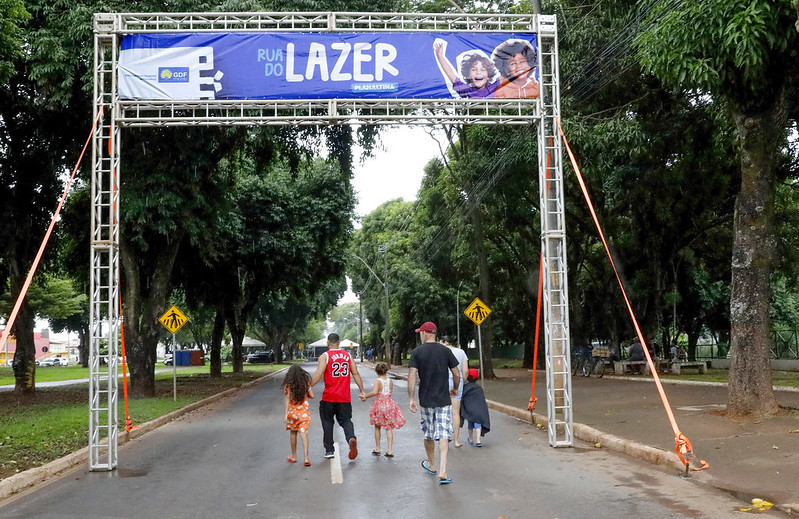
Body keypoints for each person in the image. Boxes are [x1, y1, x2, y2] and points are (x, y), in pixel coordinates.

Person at [408, 321, 460, 485]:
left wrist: (411, 398)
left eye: (420, 333)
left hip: (426, 399)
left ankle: (431, 465)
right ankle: (443, 471)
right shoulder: (446, 351)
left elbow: (411, 376)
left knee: (428, 433)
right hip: (443, 399)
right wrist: (455, 388)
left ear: (424, 333)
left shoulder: (417, 352)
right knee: (444, 433)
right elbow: (456, 374)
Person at [309, 332, 366, 460]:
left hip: (329, 397)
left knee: (327, 422)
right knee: (346, 421)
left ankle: (329, 450)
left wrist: (308, 386)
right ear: (339, 343)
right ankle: (351, 438)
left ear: (328, 343)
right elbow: (355, 374)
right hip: (344, 398)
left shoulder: (325, 356)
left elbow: (318, 373)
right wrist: (362, 390)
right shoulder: (348, 356)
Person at [363, 362, 406, 457]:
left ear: (376, 371)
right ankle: (390, 450)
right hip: (389, 404)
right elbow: (390, 392)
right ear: (386, 371)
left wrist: (365, 396)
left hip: (379, 405)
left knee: (377, 426)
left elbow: (375, 392)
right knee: (389, 427)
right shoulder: (390, 381)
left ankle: (378, 448)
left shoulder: (377, 381)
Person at [433, 39, 500, 98]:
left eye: (483, 70)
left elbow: (508, 74)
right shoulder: (467, 91)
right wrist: (440, 56)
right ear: (468, 75)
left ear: (489, 76)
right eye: (474, 69)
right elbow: (451, 74)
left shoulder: (494, 87)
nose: (478, 72)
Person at [282, 364, 315, 466]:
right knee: (303, 433)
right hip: (303, 413)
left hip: (293, 413)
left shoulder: (288, 385)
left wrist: (286, 414)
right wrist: (308, 388)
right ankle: (306, 458)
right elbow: (312, 396)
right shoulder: (305, 384)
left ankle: (294, 456)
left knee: (293, 433)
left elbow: (287, 399)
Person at [441, 335, 469, 447]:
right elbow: (465, 371)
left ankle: (446, 437)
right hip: (458, 382)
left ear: (446, 342)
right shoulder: (461, 352)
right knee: (455, 412)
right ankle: (456, 440)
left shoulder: (441, 352)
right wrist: (463, 381)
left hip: (443, 382)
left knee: (444, 411)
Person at [460, 368, 490, 446]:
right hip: (478, 411)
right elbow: (482, 401)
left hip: (470, 410)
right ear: (477, 378)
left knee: (470, 424)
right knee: (478, 424)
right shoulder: (479, 389)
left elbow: (463, 399)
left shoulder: (465, 387)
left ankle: (470, 439)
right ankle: (478, 440)